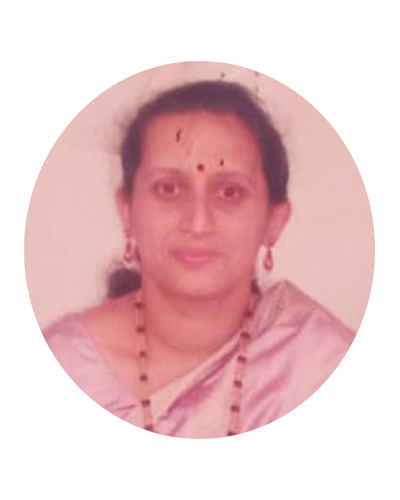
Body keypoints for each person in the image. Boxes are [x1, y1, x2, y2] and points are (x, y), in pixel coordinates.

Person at [24, 80, 374, 439]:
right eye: (169, 189)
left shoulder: (342, 378)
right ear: (127, 211)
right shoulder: (46, 382)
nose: (197, 222)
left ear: (274, 221)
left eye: (229, 192)